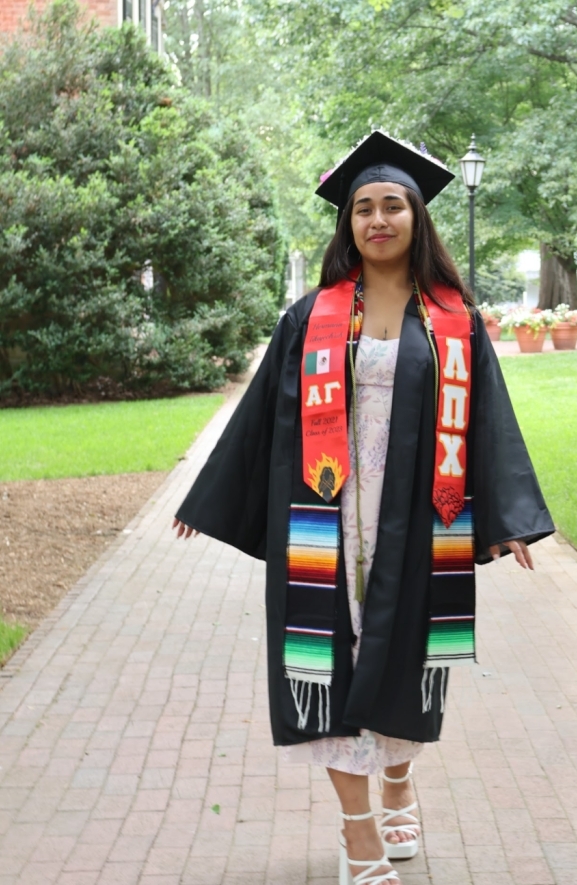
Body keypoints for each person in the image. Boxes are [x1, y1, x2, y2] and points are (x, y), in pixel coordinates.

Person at [173, 130, 555, 885]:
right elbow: (258, 415)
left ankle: (400, 778)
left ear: (417, 218)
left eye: (392, 206)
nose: (377, 220)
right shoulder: (309, 318)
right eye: (363, 209)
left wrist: (509, 517)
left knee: (405, 654)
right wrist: (209, 494)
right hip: (326, 516)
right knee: (330, 661)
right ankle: (359, 832)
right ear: (347, 225)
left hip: (416, 515)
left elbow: (489, 418)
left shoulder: (454, 320)